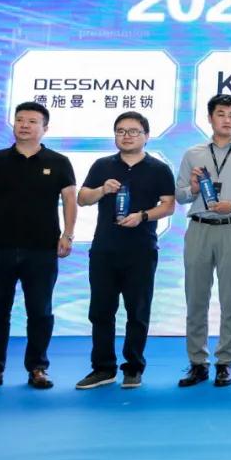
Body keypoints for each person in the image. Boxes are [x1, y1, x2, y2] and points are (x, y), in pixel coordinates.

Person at [0, 101, 76, 392]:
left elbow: (70, 200)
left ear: (45, 128)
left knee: (40, 311)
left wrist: (68, 234)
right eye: (20, 119)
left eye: (32, 121)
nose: (24, 125)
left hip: (42, 249)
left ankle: (37, 368)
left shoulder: (59, 162)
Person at [75, 112, 176, 390]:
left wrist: (143, 216)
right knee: (101, 311)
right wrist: (101, 190)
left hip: (141, 250)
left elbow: (168, 205)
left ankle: (133, 367)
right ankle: (103, 368)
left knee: (138, 311)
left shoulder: (158, 168)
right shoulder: (102, 165)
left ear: (146, 136)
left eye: (133, 131)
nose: (126, 136)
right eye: (120, 131)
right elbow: (82, 199)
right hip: (104, 249)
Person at [175, 94, 231, 388]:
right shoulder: (193, 154)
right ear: (210, 118)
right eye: (221, 114)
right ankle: (197, 363)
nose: (227, 120)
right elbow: (180, 195)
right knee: (196, 299)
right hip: (199, 229)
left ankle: (225, 362)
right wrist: (192, 188)